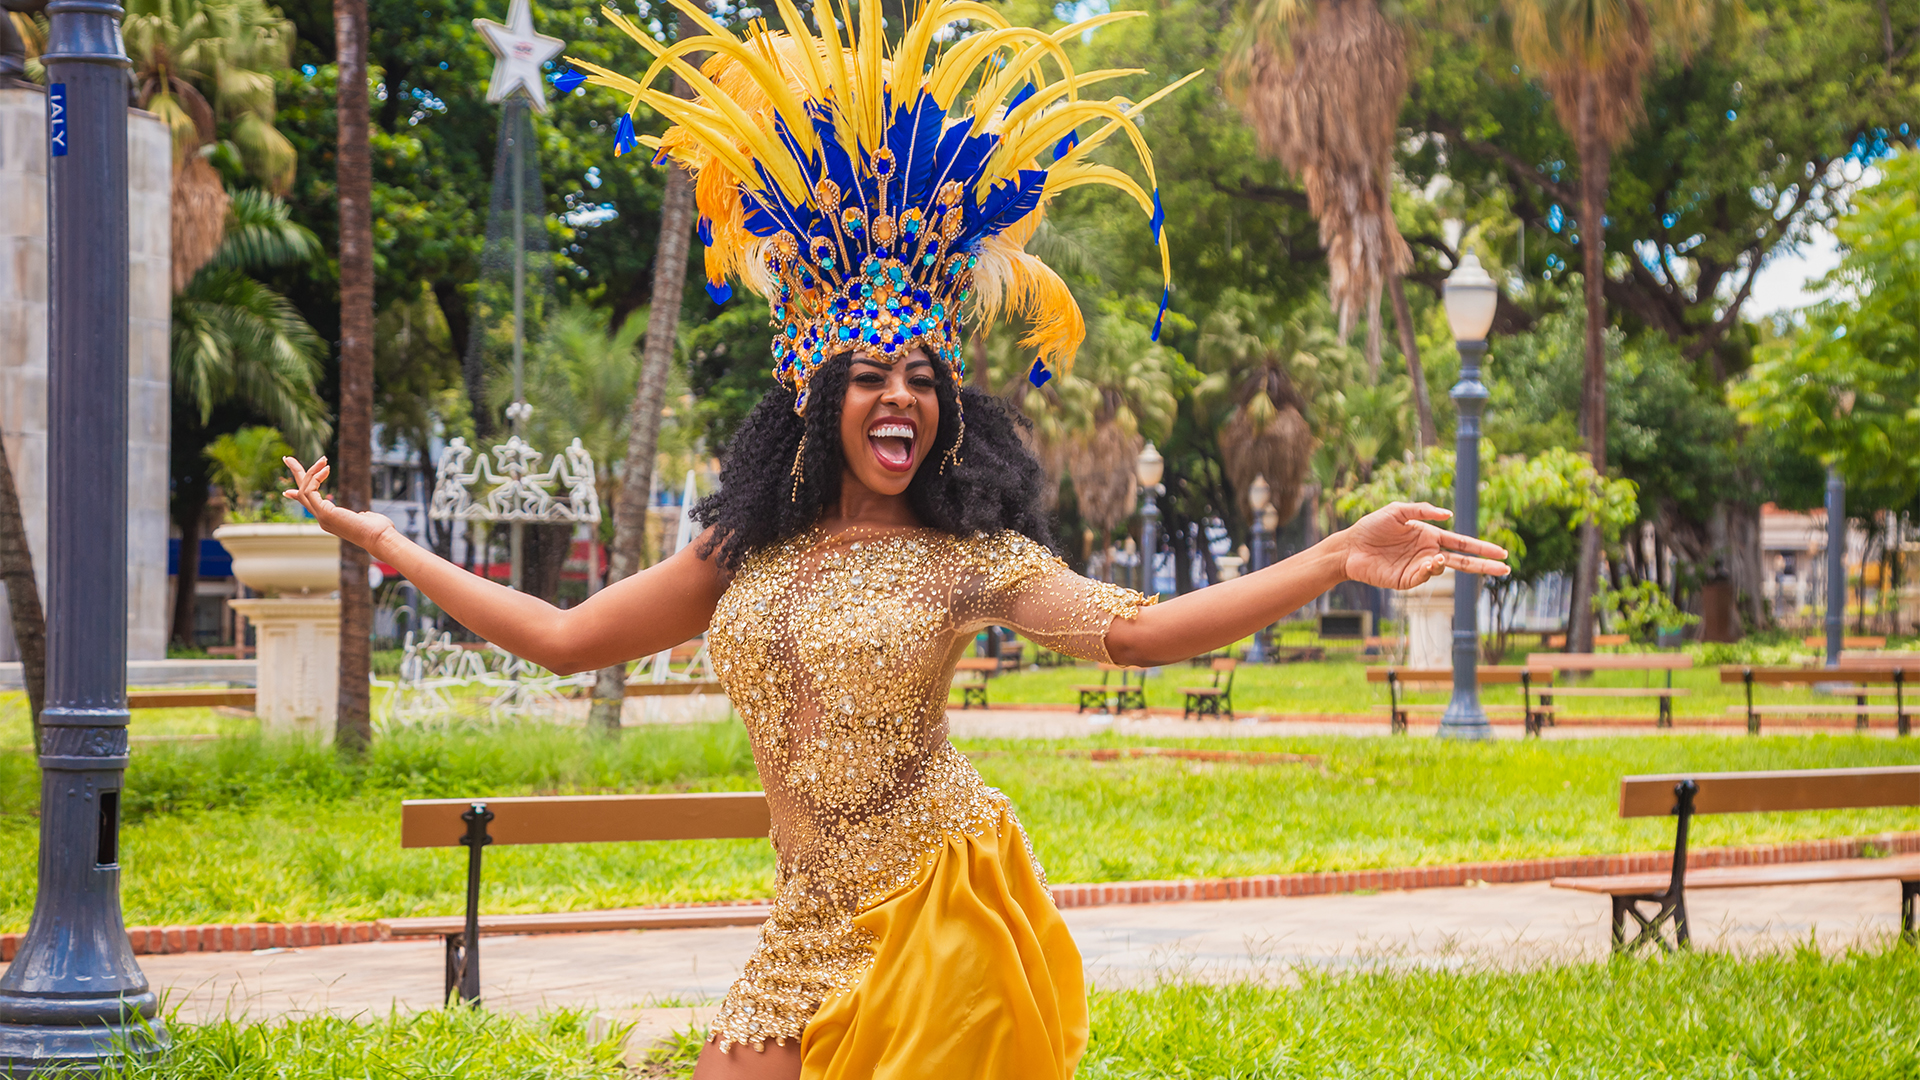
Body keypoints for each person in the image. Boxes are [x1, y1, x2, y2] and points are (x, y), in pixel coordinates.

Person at [285, 4, 1509, 1077]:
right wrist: (389, 544)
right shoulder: (741, 554)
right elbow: (563, 639)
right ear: (819, 397)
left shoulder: (967, 560)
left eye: (924, 379)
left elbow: (1139, 631)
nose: (900, 400)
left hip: (935, 915)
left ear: (951, 404)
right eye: (871, 376)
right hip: (803, 922)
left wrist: (1333, 556)